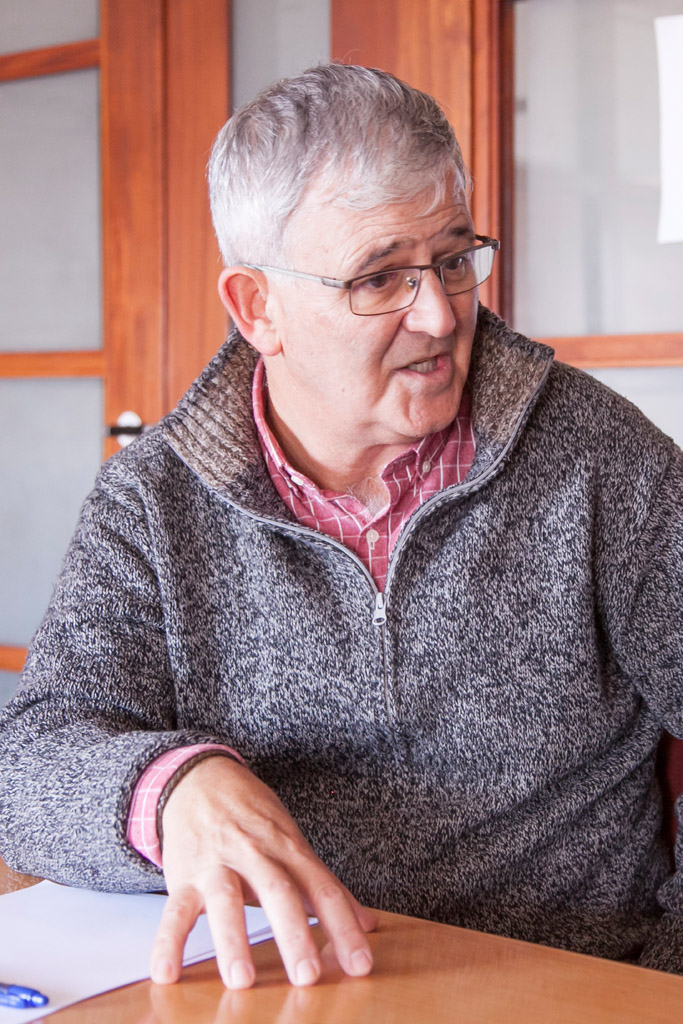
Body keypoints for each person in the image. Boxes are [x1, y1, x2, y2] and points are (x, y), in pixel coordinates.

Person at [1, 63, 683, 990]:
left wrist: (661, 982)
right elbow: (27, 765)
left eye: (452, 260)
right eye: (379, 278)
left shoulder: (599, 456)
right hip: (285, 991)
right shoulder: (152, 502)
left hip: (572, 983)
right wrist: (167, 790)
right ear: (257, 307)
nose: (439, 315)